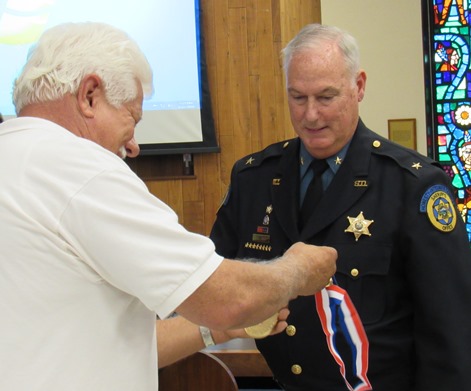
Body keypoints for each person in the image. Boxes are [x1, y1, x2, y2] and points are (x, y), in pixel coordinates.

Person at [0, 22, 338, 391]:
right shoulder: (81, 170)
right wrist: (297, 270)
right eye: (131, 119)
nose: (133, 147)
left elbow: (115, 345)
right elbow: (226, 298)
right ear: (90, 95)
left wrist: (218, 327)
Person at [210, 23, 471, 391]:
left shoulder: (412, 186)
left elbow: (450, 331)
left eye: (326, 97)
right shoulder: (254, 179)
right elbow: (218, 281)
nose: (310, 115)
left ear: (359, 86)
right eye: (297, 98)